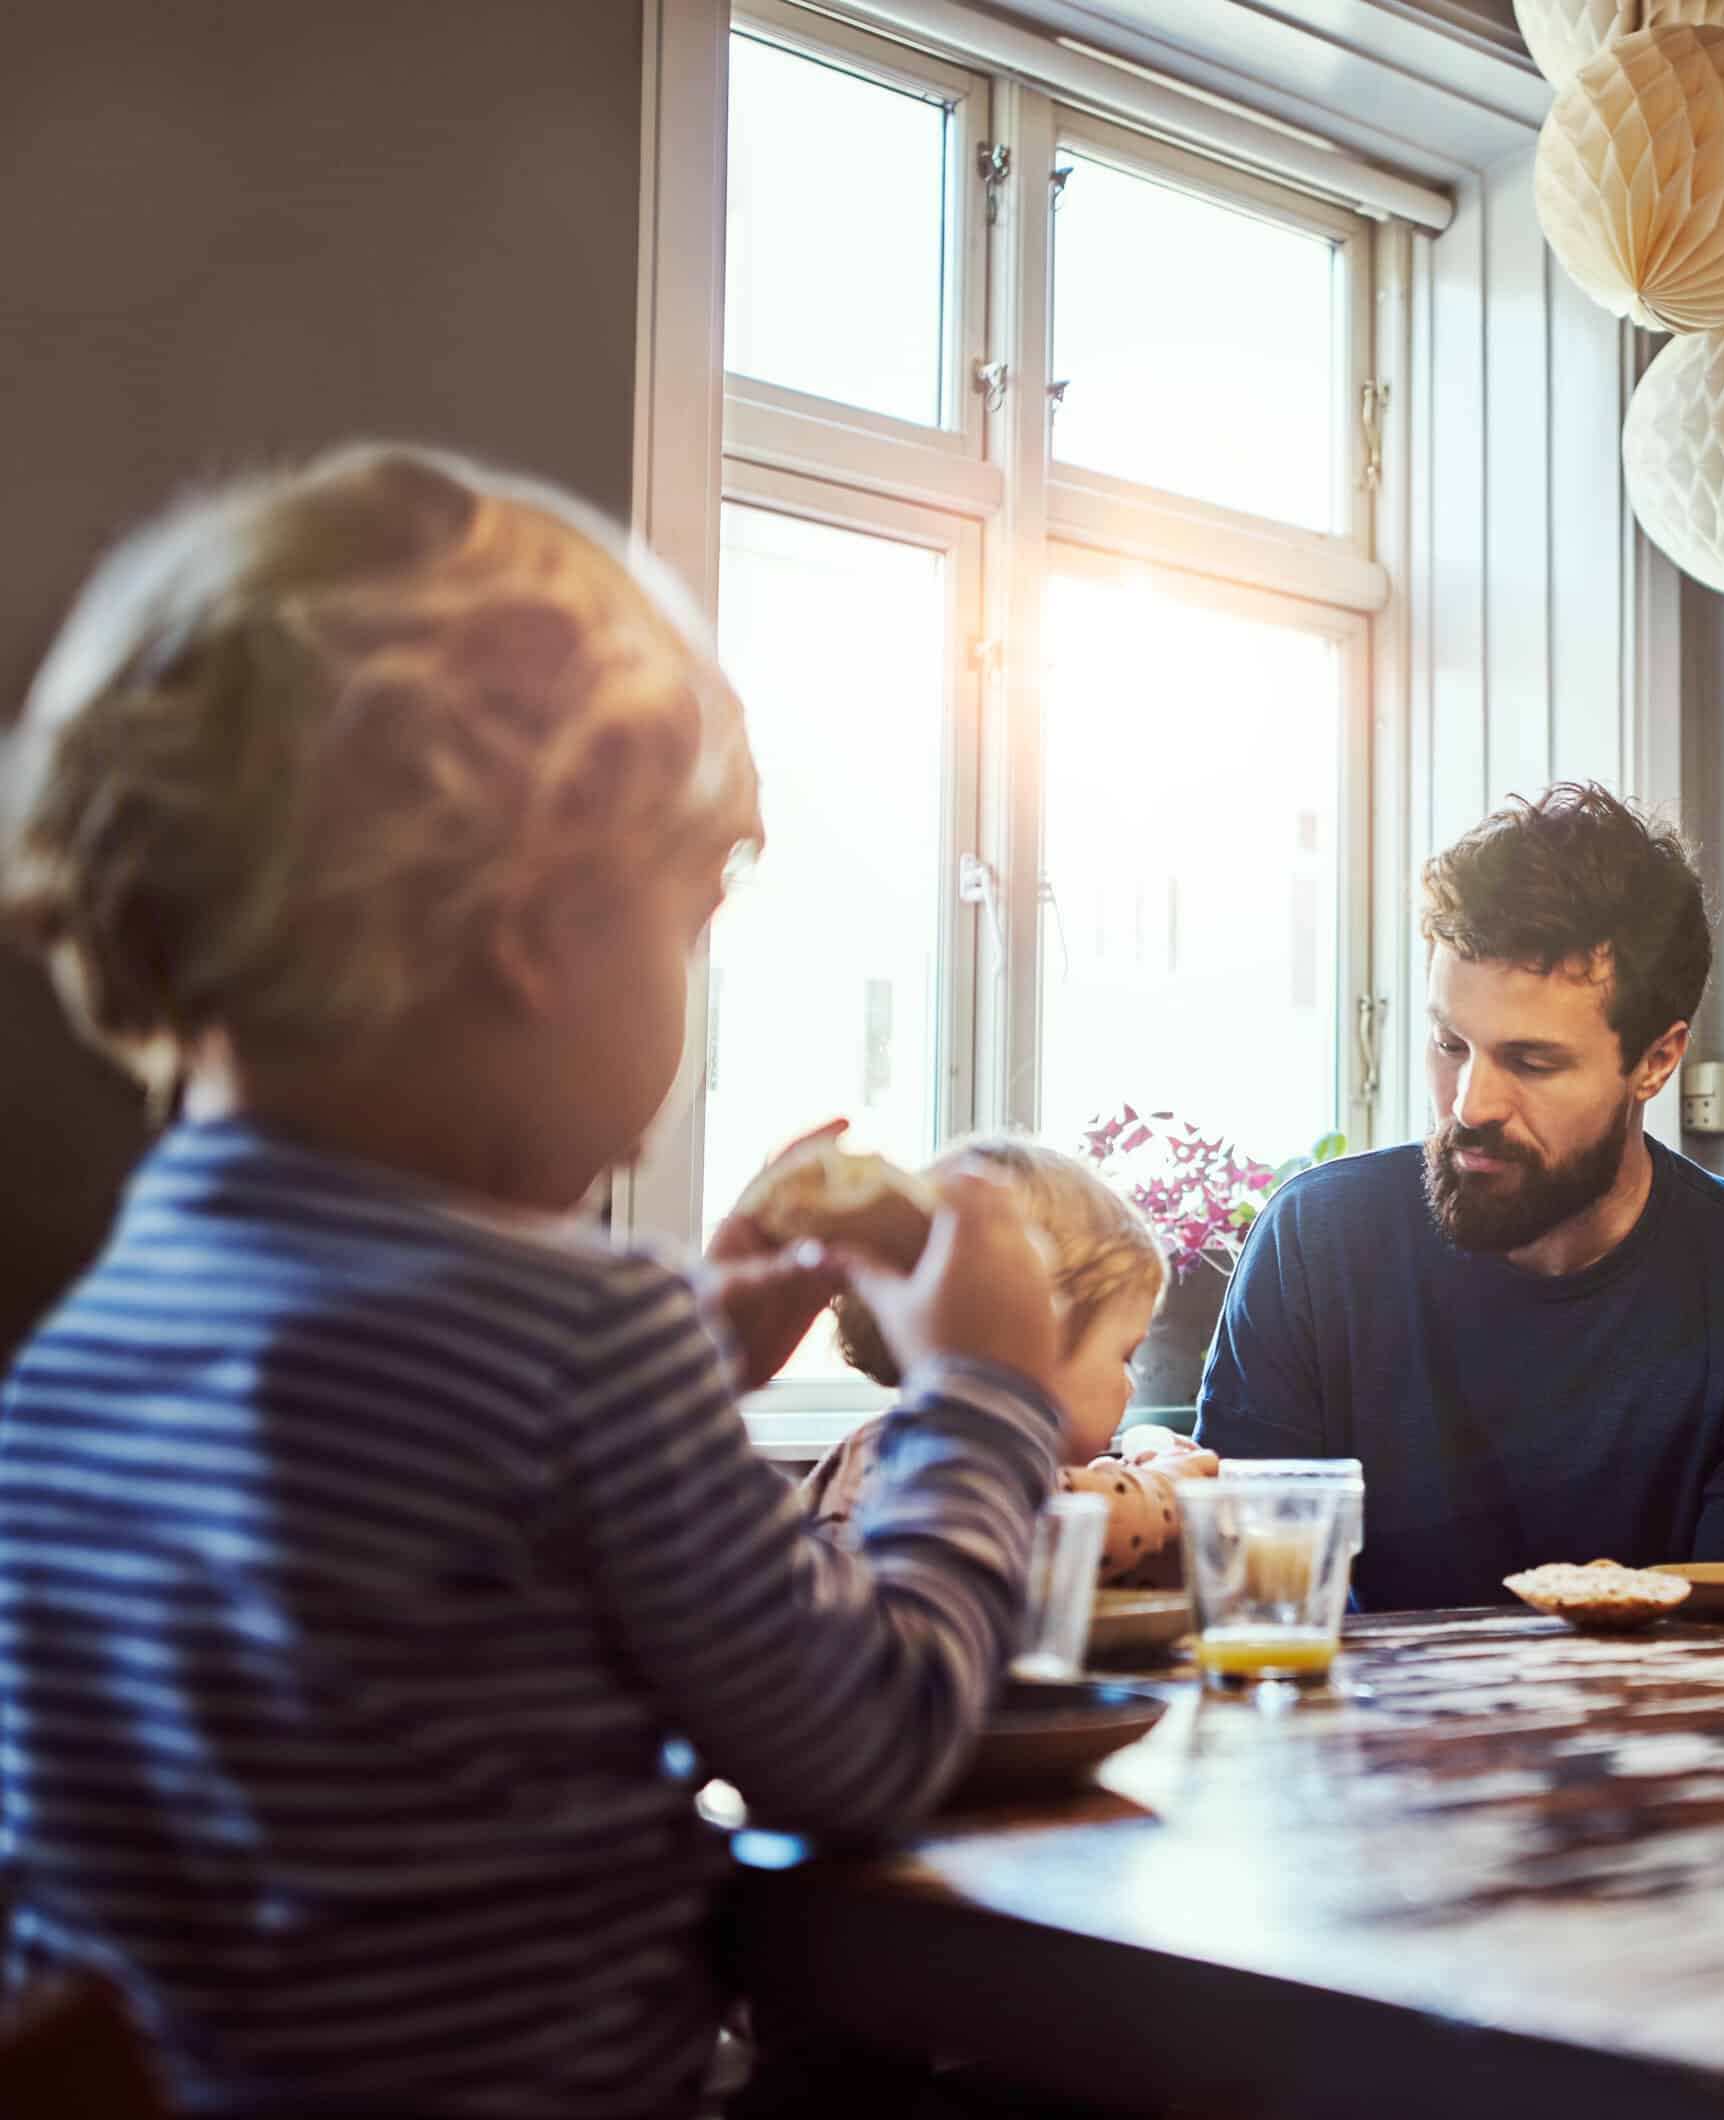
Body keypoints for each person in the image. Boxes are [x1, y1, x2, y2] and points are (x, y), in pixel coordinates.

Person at [0, 444, 1095, 2118]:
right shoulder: (584, 1343)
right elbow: (865, 1743)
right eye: (694, 910)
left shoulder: (99, 1344)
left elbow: (437, 1543)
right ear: (533, 929)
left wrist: (695, 1364)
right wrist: (986, 1400)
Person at [1198, 783, 1724, 1612]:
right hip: (1351, 1741)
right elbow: (1242, 1608)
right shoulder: (1316, 1246)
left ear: (1656, 1062)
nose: (1470, 1105)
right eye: (1449, 1044)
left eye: (1533, 1061)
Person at [797, 1136, 1222, 1587]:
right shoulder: (896, 1455)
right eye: (1124, 1356)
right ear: (1028, 1340)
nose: (1130, 1387)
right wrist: (1166, 1490)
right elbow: (1039, 1523)